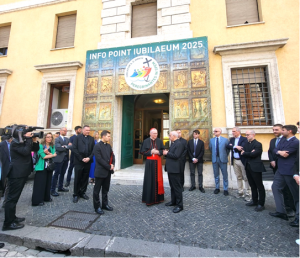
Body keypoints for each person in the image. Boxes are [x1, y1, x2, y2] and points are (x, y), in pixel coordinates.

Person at [2, 132, 39, 231]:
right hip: (16, 174)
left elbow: (35, 149)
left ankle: (12, 218)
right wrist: (28, 139)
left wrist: (33, 140)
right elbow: (26, 152)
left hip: (22, 173)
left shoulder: (21, 142)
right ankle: (7, 223)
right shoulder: (15, 143)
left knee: (14, 199)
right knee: (11, 199)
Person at [270, 125, 300, 226]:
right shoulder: (283, 139)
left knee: (295, 195)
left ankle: (298, 217)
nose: (282, 132)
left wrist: (279, 152)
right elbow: (275, 150)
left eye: (283, 130)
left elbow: (285, 154)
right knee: (275, 187)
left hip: (290, 171)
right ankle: (281, 211)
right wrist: (279, 151)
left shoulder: (296, 142)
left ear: (290, 131)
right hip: (280, 169)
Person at [241, 130, 266, 212]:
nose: (246, 136)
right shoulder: (246, 144)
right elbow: (245, 153)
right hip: (248, 166)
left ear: (253, 135)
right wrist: (247, 153)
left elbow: (254, 154)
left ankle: (261, 203)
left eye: (248, 135)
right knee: (252, 185)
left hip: (256, 167)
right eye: (246, 135)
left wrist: (245, 153)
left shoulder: (258, 144)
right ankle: (254, 200)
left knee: (259, 186)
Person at [139, 128, 165, 205]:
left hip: (158, 162)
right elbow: (142, 151)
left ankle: (158, 199)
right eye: (154, 133)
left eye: (156, 133)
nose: (155, 135)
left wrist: (158, 151)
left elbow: (163, 150)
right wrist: (151, 152)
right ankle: (149, 199)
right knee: (150, 180)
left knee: (158, 179)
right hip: (150, 163)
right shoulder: (146, 141)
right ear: (150, 134)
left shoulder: (159, 141)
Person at [93, 130, 115, 214]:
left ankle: (105, 204)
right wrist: (109, 166)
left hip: (108, 172)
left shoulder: (109, 146)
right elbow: (99, 159)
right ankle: (97, 207)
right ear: (103, 136)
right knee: (97, 190)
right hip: (100, 171)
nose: (109, 138)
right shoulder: (97, 146)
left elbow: (112, 156)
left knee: (105, 189)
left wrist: (113, 164)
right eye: (108, 136)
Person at [72, 125, 95, 203]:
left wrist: (89, 158)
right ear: (83, 130)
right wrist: (81, 158)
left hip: (88, 161)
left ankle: (82, 192)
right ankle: (75, 194)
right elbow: (74, 149)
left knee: (85, 178)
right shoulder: (77, 138)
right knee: (78, 178)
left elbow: (93, 150)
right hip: (79, 161)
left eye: (89, 130)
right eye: (86, 130)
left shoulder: (91, 139)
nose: (88, 131)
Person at [32, 133, 56, 206]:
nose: (49, 138)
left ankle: (46, 197)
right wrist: (51, 155)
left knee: (48, 183)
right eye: (48, 137)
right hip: (41, 167)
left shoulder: (52, 146)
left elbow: (54, 155)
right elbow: (43, 156)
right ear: (45, 138)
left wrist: (48, 153)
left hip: (49, 167)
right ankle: (37, 200)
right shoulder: (40, 146)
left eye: (51, 137)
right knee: (40, 184)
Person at [226, 127, 250, 201]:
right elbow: (228, 146)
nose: (232, 133)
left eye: (234, 131)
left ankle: (248, 193)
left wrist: (234, 147)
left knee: (246, 177)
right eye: (232, 131)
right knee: (238, 177)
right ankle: (240, 192)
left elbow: (241, 148)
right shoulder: (232, 139)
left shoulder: (244, 139)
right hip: (235, 160)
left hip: (242, 160)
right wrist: (235, 146)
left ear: (238, 132)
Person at [164, 131, 184, 213]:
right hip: (171, 168)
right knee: (172, 186)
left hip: (175, 169)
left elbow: (176, 156)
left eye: (170, 135)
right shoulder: (173, 143)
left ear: (174, 136)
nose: (169, 137)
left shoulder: (179, 144)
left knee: (177, 187)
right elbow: (172, 154)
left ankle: (179, 205)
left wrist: (167, 153)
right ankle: (173, 201)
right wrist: (167, 153)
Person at [51, 127, 71, 197]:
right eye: (64, 131)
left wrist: (64, 146)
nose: (65, 132)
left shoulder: (67, 139)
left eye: (66, 131)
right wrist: (66, 147)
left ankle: (60, 187)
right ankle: (52, 190)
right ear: (60, 131)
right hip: (59, 159)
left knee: (63, 173)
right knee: (56, 174)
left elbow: (71, 146)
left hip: (66, 159)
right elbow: (58, 148)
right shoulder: (57, 139)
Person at [209, 128, 230, 195]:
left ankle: (225, 189)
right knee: (216, 174)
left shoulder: (225, 140)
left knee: (225, 175)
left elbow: (228, 149)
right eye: (214, 131)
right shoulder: (212, 140)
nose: (214, 132)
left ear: (220, 132)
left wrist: (224, 155)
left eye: (216, 131)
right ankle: (217, 188)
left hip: (223, 159)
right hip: (215, 159)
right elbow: (210, 148)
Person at [0, 136, 12, 207]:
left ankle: (6, 203)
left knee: (8, 187)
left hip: (9, 169)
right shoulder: (2, 145)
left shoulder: (13, 145)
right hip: (3, 170)